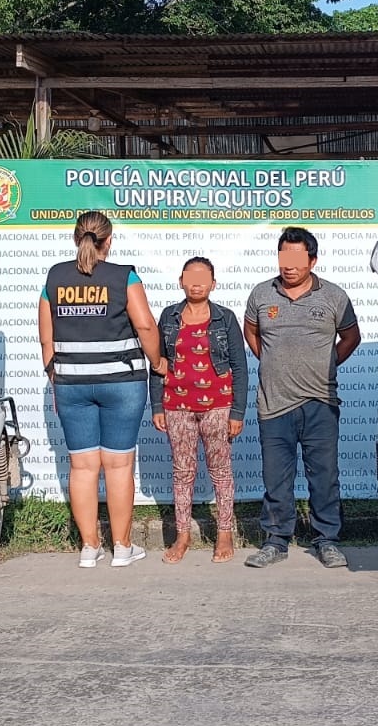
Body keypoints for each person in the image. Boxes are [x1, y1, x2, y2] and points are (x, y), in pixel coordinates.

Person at [38, 210, 165, 569]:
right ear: (108, 240)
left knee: (82, 467)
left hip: (71, 383)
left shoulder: (54, 276)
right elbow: (146, 327)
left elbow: (46, 338)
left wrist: (56, 375)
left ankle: (89, 548)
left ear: (75, 238)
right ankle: (122, 548)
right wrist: (159, 363)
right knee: (119, 465)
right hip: (121, 383)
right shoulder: (124, 276)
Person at [241, 227, 361, 569]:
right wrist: (269, 360)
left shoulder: (334, 297)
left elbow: (351, 336)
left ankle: (327, 540)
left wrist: (328, 363)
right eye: (284, 258)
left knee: (324, 476)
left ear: (313, 260)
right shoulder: (262, 294)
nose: (289, 266)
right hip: (273, 403)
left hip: (320, 401)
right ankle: (276, 541)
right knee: (275, 478)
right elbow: (251, 331)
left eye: (296, 259)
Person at [151, 257, 248, 564]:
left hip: (218, 405)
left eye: (203, 276)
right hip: (176, 406)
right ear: (180, 281)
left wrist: (238, 411)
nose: (196, 282)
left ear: (213, 284)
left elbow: (240, 367)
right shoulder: (168, 316)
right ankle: (182, 535)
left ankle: (224, 532)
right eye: (190, 276)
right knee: (182, 472)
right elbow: (157, 363)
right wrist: (156, 405)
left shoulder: (226, 318)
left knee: (221, 472)